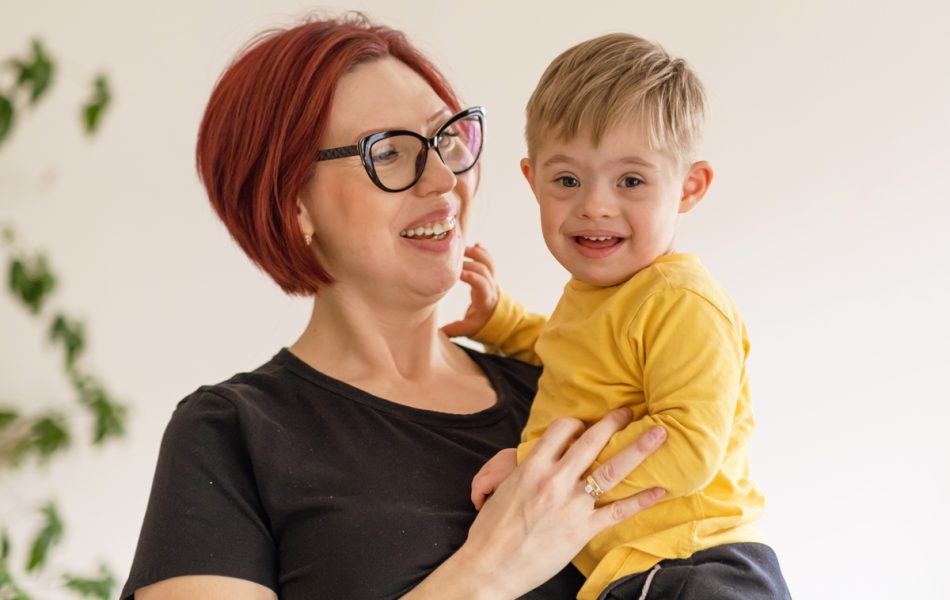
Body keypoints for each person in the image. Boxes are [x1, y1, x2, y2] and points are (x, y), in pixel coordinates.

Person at [120, 15, 673, 600]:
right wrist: (487, 574)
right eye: (388, 153)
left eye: (448, 138)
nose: (442, 178)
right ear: (293, 204)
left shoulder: (561, 389)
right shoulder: (232, 435)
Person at [452, 34, 791, 599]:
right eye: (567, 181)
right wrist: (501, 323)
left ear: (689, 187)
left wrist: (534, 469)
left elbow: (687, 446)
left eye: (630, 181)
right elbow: (577, 358)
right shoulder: (597, 295)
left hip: (696, 564)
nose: (595, 205)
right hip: (632, 572)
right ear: (532, 179)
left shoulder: (681, 300)